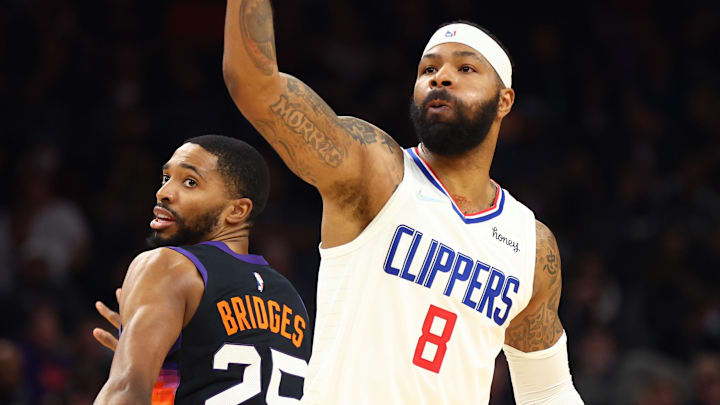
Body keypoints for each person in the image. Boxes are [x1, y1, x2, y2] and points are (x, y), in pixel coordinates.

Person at [222, 2, 584, 404]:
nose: (441, 77)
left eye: (465, 69)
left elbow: (547, 391)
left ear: (504, 101)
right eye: (428, 69)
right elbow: (253, 82)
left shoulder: (531, 245)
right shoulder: (375, 171)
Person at [92, 135, 312, 405]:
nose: (164, 192)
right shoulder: (292, 298)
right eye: (166, 178)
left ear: (237, 210)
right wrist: (157, 366)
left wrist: (132, 370)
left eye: (190, 182)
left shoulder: (166, 265)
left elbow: (126, 390)